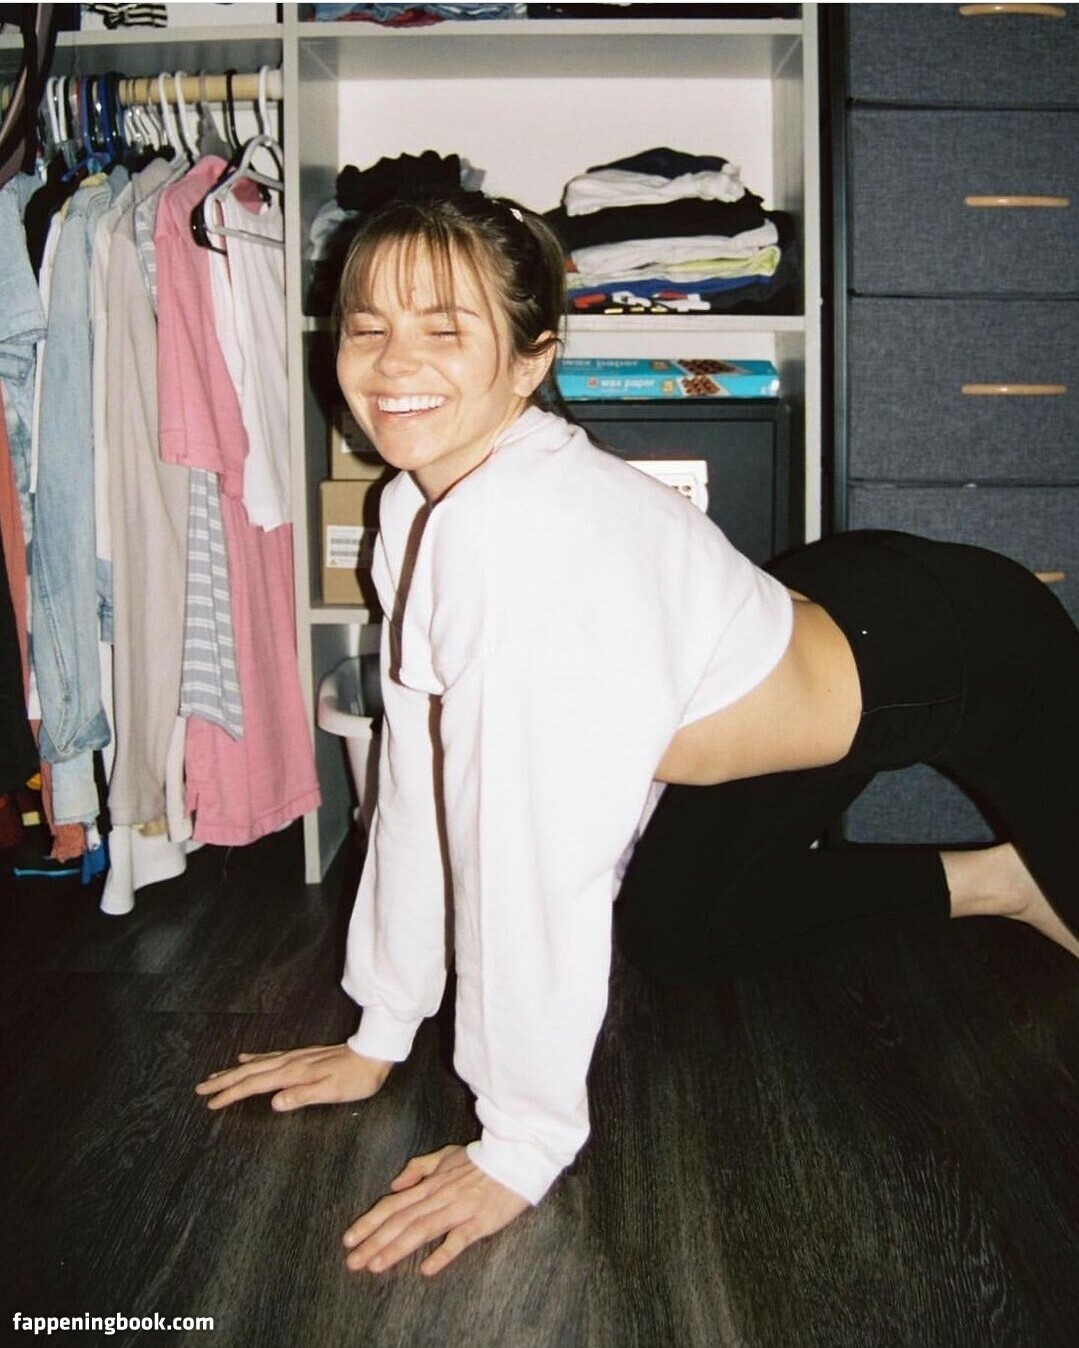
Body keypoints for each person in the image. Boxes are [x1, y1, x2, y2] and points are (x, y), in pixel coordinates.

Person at [196, 190, 1079, 1278]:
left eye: (444, 328)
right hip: (805, 622)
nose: (391, 362)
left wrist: (521, 1142)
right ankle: (998, 880)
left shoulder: (524, 543)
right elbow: (420, 775)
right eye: (365, 325)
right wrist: (382, 1028)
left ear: (530, 362)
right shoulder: (412, 507)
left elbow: (528, 862)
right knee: (678, 932)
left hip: (953, 652)